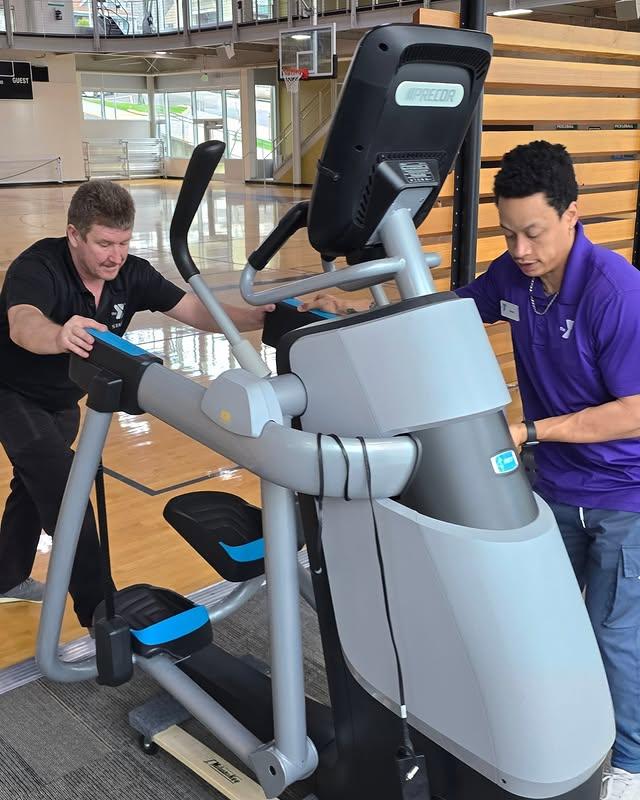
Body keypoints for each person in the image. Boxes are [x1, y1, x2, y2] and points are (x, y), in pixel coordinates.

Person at [299, 140, 640, 800]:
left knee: (614, 634)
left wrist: (531, 430)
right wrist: (358, 317)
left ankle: (628, 762)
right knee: (542, 625)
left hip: (622, 493)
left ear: (574, 213)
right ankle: (545, 739)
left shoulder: (617, 293)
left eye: (533, 233)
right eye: (508, 233)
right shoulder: (513, 278)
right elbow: (447, 318)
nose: (518, 250)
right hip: (554, 487)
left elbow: (636, 410)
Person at [0, 179, 272, 631]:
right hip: (11, 392)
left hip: (64, 397)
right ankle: (99, 613)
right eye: (104, 243)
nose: (115, 255)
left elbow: (193, 310)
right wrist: (59, 334)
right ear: (74, 235)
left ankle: (6, 577)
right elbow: (22, 322)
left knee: (32, 489)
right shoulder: (38, 266)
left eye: (124, 243)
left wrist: (260, 318)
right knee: (65, 491)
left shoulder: (131, 274)